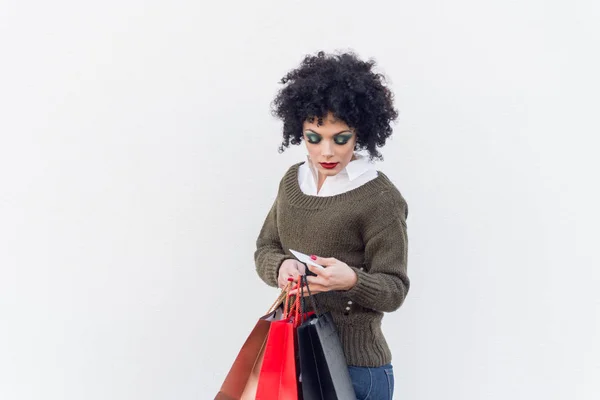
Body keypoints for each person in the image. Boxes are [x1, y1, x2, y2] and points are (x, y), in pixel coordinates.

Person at [254, 50, 409, 400]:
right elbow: (266, 248)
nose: (327, 151)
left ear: (360, 134)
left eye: (340, 138)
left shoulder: (379, 197)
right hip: (291, 359)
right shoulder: (292, 183)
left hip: (355, 369)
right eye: (314, 137)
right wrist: (281, 267)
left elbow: (395, 288)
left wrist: (352, 280)